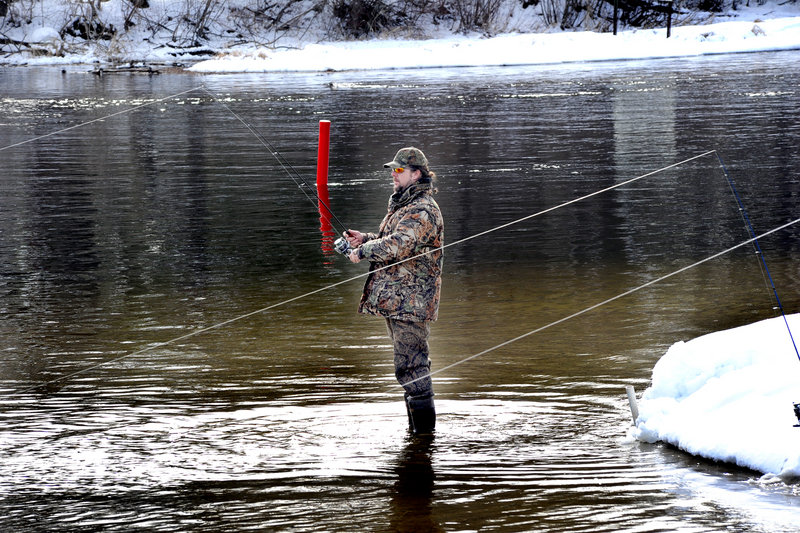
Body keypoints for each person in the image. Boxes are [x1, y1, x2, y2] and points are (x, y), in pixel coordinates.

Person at [344, 147, 444, 435]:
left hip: (411, 302)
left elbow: (399, 244)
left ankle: (423, 442)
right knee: (407, 368)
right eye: (392, 170)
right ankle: (417, 438)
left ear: (416, 174)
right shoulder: (405, 205)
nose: (393, 175)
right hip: (397, 300)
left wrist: (363, 251)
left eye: (399, 170)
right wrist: (364, 239)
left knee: (413, 367)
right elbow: (391, 241)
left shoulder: (423, 209)